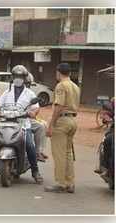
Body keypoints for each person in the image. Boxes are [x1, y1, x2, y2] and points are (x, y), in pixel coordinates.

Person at [0, 65, 43, 184]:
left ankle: (35, 171)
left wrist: (33, 113)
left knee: (29, 144)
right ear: (13, 78)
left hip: (23, 124)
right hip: (4, 123)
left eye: (20, 76)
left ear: (24, 78)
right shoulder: (7, 92)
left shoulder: (30, 94)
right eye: (16, 76)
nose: (18, 79)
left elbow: (36, 108)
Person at [44, 63, 80, 193]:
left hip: (62, 121)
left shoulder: (61, 85)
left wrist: (51, 125)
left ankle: (61, 183)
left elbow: (58, 106)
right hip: (72, 120)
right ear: (69, 73)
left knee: (59, 154)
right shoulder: (75, 86)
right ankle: (70, 183)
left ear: (58, 72)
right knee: (68, 153)